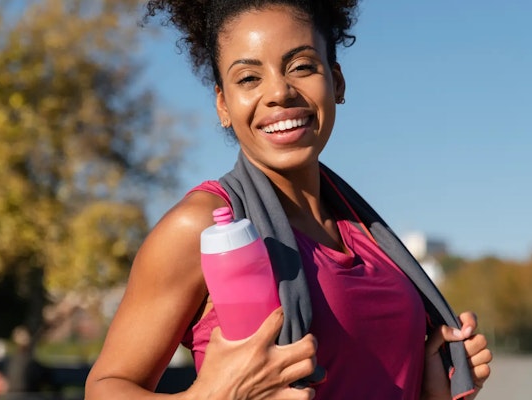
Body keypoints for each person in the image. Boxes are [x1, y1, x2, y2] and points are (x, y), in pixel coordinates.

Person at [85, 0, 492, 399]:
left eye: (301, 67)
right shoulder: (202, 227)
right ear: (223, 104)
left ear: (337, 81)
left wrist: (430, 389)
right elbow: (103, 389)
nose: (279, 92)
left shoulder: (367, 231)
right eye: (248, 78)